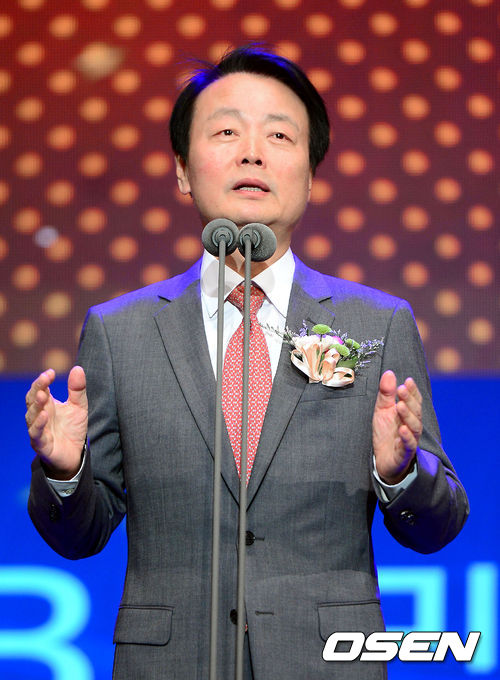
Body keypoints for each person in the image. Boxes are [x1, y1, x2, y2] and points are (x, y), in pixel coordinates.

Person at [25, 46, 469, 679]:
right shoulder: (119, 332)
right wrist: (66, 471)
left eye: (280, 135)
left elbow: (438, 526)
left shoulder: (378, 323)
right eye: (227, 132)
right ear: (183, 170)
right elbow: (80, 536)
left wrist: (399, 474)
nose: (253, 153)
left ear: (311, 175)